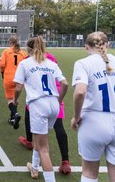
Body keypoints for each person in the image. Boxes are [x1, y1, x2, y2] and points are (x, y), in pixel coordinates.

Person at [13, 37, 68, 182]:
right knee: (39, 140)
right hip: (53, 104)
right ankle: (34, 167)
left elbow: (18, 87)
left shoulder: (25, 63)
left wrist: (15, 100)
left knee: (44, 148)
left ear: (29, 49)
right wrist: (59, 101)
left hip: (39, 105)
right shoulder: (51, 63)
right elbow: (65, 84)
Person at [71, 32, 115, 182]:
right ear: (107, 45)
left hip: (93, 121)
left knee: (89, 174)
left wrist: (76, 117)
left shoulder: (83, 63)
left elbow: (80, 92)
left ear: (86, 47)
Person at [0, 36, 27, 129]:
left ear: (10, 43)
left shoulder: (6, 52)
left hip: (9, 77)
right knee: (16, 98)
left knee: (10, 100)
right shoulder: (23, 53)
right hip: (20, 78)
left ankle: (15, 114)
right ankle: (12, 118)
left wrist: (2, 72)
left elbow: (2, 64)